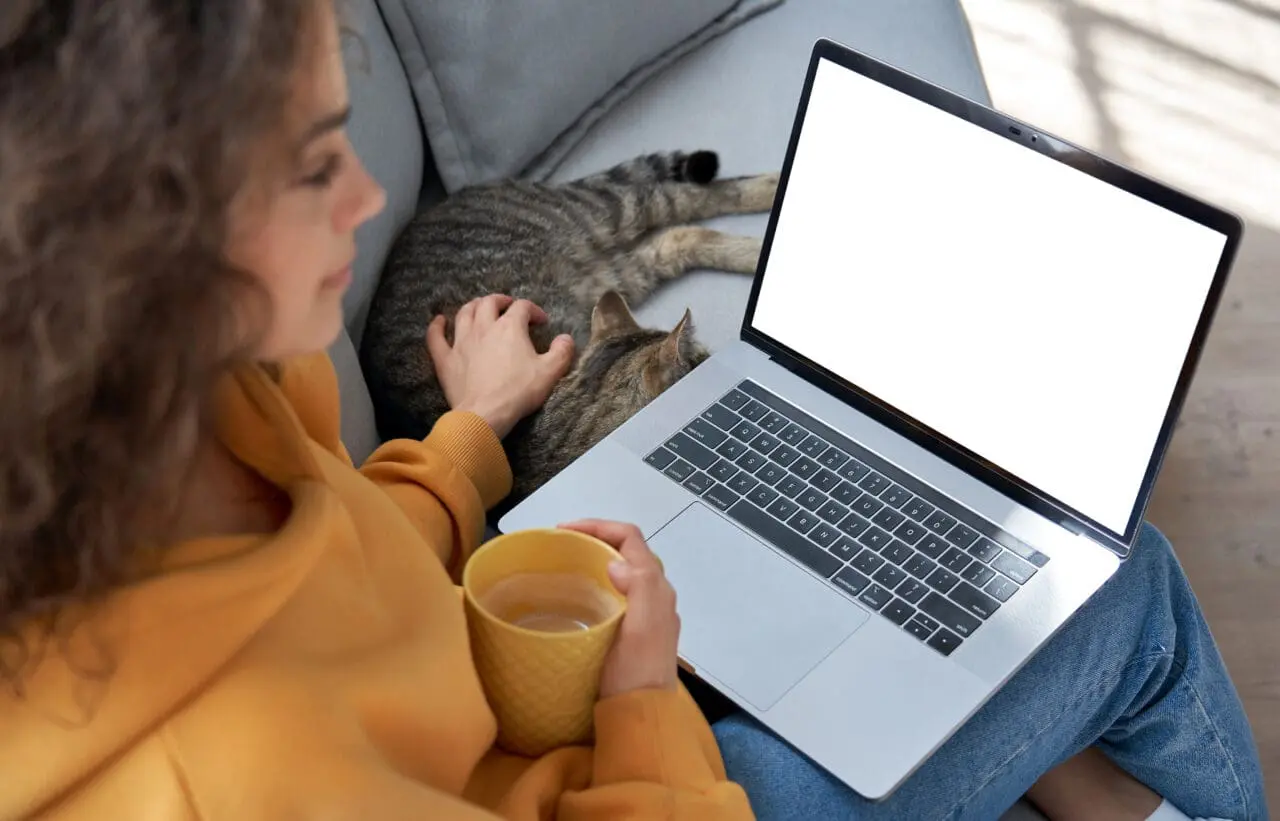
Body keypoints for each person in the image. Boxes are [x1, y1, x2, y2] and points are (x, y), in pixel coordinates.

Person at [0, 2, 1265, 820]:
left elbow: (329, 575)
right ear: (146, 238)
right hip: (656, 782)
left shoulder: (197, 394)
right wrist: (647, 697)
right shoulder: (234, 778)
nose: (365, 197)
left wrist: (465, 440)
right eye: (316, 160)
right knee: (1122, 589)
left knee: (922, 631)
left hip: (547, 705)